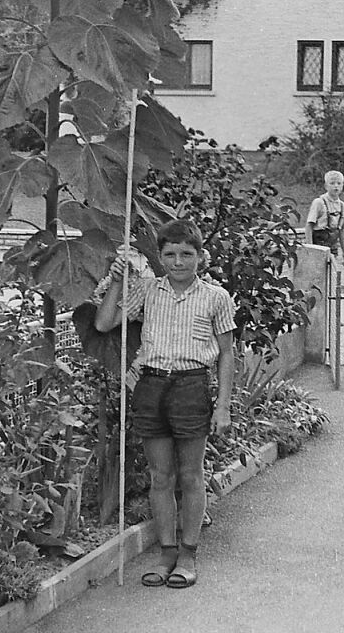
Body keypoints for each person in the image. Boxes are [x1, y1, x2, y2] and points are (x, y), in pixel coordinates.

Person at [94, 218, 235, 589]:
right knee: (160, 476)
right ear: (159, 256)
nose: (178, 262)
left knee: (190, 474)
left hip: (191, 387)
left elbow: (226, 355)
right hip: (152, 385)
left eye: (186, 254)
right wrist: (119, 281)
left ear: (200, 257)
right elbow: (105, 323)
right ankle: (166, 552)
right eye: (170, 254)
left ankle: (188, 553)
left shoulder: (216, 298)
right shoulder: (148, 291)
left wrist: (223, 406)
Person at [305, 170, 344, 266]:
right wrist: (310, 248)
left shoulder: (342, 206)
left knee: (331, 272)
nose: (336, 186)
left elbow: (341, 230)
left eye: (339, 183)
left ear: (342, 186)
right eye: (332, 183)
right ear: (326, 186)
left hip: (332, 245)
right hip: (319, 244)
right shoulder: (319, 203)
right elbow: (309, 226)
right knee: (317, 272)